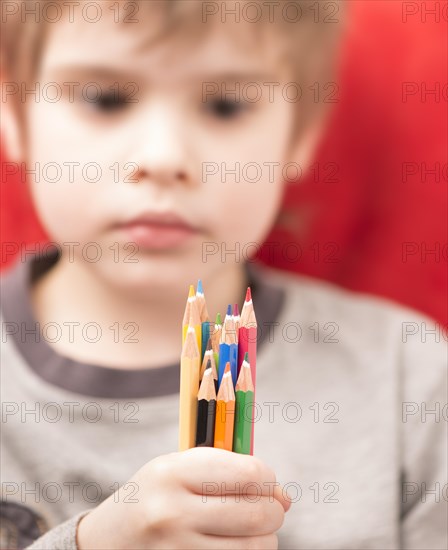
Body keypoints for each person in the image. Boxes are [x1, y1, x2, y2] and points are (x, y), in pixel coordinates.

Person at [1, 1, 446, 549]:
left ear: (299, 138)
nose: (164, 158)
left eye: (226, 105)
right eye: (104, 98)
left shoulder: (409, 377)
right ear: (14, 113)